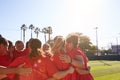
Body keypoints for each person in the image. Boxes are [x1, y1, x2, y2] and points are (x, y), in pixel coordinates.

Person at [8, 38, 74, 80]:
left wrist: (16, 70)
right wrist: (69, 70)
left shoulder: (20, 60)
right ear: (40, 47)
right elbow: (57, 76)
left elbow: (3, 73)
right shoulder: (46, 60)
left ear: (29, 47)